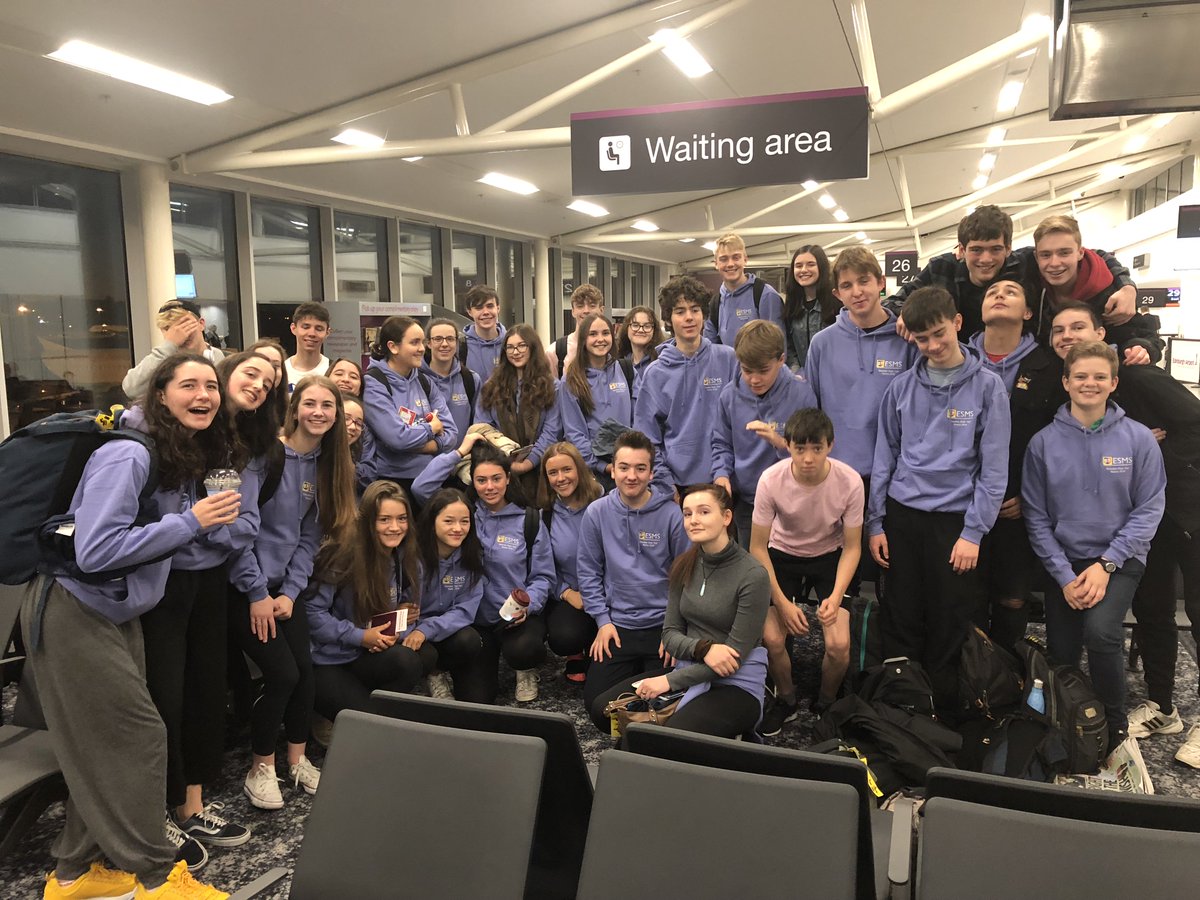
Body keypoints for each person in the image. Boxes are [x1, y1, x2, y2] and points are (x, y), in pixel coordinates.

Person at [25, 353, 238, 899]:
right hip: (76, 608)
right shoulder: (127, 454)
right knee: (139, 738)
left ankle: (76, 873)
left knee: (101, 746)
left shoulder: (172, 453)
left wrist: (192, 525)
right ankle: (154, 876)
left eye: (211, 385)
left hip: (115, 610)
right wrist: (189, 523)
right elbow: (95, 551)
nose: (205, 395)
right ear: (158, 396)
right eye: (188, 384)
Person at [1048, 305, 1200, 758]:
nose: (1068, 336)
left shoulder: (1138, 375)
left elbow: (1195, 421)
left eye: (1078, 327)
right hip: (1142, 522)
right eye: (1058, 330)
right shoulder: (1070, 398)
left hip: (1186, 507)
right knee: (1155, 611)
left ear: (1101, 334)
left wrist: (1156, 447)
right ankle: (1163, 706)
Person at [867, 286, 1010, 710]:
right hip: (903, 516)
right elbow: (884, 457)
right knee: (902, 611)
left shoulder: (989, 389)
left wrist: (974, 531)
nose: (932, 345)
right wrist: (876, 522)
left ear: (958, 324)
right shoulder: (900, 388)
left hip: (956, 522)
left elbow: (994, 469)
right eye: (922, 338)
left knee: (951, 618)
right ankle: (906, 703)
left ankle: (948, 710)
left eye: (939, 333)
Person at [1022, 340, 1166, 745]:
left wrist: (1106, 565)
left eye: (1100, 376)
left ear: (1114, 382)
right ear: (1066, 382)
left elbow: (1149, 510)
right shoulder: (1043, 443)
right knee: (1062, 653)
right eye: (1080, 376)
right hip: (1064, 562)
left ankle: (1115, 725)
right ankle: (1068, 721)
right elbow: (1035, 516)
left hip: (1120, 559)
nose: (1090, 383)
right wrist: (1065, 576)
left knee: (1102, 633)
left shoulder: (1138, 440)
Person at [231, 375, 357, 812]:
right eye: (311, 403)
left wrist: (290, 592)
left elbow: (309, 538)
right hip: (245, 588)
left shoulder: (328, 464)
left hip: (285, 589)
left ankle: (297, 760)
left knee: (305, 673)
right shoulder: (265, 458)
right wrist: (256, 593)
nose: (319, 412)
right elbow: (239, 533)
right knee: (282, 675)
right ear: (295, 407)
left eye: (329, 405)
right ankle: (260, 768)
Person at [805, 246, 918, 593]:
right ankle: (845, 642)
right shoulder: (821, 344)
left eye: (865, 281)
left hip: (895, 475)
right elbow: (812, 410)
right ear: (837, 293)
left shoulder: (907, 341)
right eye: (847, 285)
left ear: (881, 283)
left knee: (893, 569)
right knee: (843, 576)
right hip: (838, 475)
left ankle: (890, 643)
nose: (857, 292)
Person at [413, 438, 555, 704]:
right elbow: (421, 488)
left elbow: (543, 576)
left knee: (524, 650)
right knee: (478, 698)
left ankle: (524, 669)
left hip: (516, 618)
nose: (489, 487)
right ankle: (440, 671)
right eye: (481, 480)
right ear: (472, 482)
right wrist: (459, 451)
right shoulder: (464, 516)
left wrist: (528, 604)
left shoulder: (529, 520)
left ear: (508, 479)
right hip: (474, 619)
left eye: (496, 479)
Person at [752, 408, 863, 735]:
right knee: (772, 637)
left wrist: (835, 595)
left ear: (830, 445)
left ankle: (826, 703)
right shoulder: (771, 480)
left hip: (830, 554)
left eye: (817, 448)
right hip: (782, 553)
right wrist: (784, 605)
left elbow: (853, 546)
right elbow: (757, 547)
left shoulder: (850, 481)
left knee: (839, 645)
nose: (809, 457)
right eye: (800, 448)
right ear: (788, 446)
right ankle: (786, 699)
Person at [968, 278, 1063, 651]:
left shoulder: (1049, 368)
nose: (999, 295)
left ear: (1027, 313)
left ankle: (1008, 672)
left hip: (1018, 503)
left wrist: (1030, 494)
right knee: (969, 596)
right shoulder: (957, 359)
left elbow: (1059, 440)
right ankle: (973, 676)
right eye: (992, 293)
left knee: (1012, 597)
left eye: (1010, 291)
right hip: (965, 498)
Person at [632, 484, 771, 738]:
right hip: (689, 667)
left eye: (704, 512)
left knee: (669, 738)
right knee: (604, 709)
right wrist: (704, 649)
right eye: (687, 514)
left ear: (727, 517)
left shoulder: (754, 575)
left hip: (737, 682)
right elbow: (670, 635)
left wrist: (669, 682)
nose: (693, 520)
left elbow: (733, 660)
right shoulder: (683, 565)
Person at [886, 205, 1136, 340]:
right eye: (976, 250)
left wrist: (1127, 287)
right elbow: (894, 302)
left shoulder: (1025, 261)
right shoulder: (941, 268)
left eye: (995, 249)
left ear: (1008, 248)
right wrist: (904, 314)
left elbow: (1097, 255)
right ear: (961, 250)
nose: (986, 259)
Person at [577, 430, 688, 733]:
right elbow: (588, 571)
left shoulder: (671, 515)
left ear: (652, 473)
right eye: (624, 467)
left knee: (672, 706)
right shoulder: (597, 513)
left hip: (662, 628)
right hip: (618, 626)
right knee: (596, 706)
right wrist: (602, 621)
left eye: (640, 468)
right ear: (612, 469)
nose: (631, 476)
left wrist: (676, 630)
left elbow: (684, 578)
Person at [309, 482, 441, 717]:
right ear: (368, 521)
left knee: (420, 656)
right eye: (384, 520)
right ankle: (327, 710)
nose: (395, 527)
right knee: (366, 722)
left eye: (402, 519)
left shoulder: (402, 555)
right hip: (328, 659)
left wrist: (399, 613)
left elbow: (385, 607)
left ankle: (359, 703)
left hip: (363, 654)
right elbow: (312, 615)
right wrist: (360, 637)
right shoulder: (341, 556)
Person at [712, 320, 816, 547]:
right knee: (753, 572)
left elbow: (814, 452)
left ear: (781, 360)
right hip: (747, 503)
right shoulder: (729, 396)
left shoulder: (801, 395)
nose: (754, 379)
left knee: (787, 574)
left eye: (763, 371)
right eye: (747, 371)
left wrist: (780, 444)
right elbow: (721, 443)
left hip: (792, 502)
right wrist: (721, 473)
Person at [634, 275, 739, 494]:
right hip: (677, 486)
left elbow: (738, 420)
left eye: (695, 309)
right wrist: (665, 483)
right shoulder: (655, 373)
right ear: (669, 319)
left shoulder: (728, 359)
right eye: (680, 311)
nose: (689, 317)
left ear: (704, 314)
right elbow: (648, 438)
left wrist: (724, 471)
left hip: (724, 479)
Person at [1030, 215, 1161, 360]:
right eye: (1046, 255)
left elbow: (1141, 335)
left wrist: (1141, 349)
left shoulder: (1110, 295)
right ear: (1036, 257)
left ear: (1080, 253)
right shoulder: (1031, 284)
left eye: (1064, 253)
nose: (1054, 262)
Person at [363, 315, 457, 494]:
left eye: (422, 342)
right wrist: (432, 428)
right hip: (391, 483)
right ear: (393, 347)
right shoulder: (375, 383)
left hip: (430, 478)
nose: (422, 349)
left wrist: (427, 444)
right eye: (414, 342)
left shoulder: (424, 381)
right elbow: (397, 438)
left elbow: (452, 434)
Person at [536, 441, 604, 684]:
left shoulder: (604, 503)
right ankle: (577, 650)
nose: (561, 478)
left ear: (580, 470)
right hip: (572, 595)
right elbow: (543, 567)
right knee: (564, 637)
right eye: (553, 473)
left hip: (609, 592)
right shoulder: (545, 514)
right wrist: (565, 592)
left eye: (567, 469)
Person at [414, 488, 488, 700]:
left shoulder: (472, 555)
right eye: (448, 521)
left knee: (470, 641)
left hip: (444, 629)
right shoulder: (411, 556)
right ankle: (433, 673)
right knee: (424, 655)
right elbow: (402, 607)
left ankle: (444, 668)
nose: (458, 528)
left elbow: (466, 610)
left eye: (464, 521)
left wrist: (428, 629)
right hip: (413, 635)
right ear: (432, 521)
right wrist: (419, 631)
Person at [475, 323, 562, 501]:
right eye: (510, 347)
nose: (516, 352)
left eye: (522, 345)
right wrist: (504, 460)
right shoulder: (491, 387)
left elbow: (552, 431)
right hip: (500, 470)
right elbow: (483, 428)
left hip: (540, 471)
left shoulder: (553, 387)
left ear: (533, 348)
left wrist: (529, 462)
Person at [560, 313, 635, 488]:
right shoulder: (571, 380)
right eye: (593, 334)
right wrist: (604, 466)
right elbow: (574, 433)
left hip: (629, 465)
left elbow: (639, 417)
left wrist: (632, 459)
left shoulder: (626, 370)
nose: (600, 339)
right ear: (583, 339)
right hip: (596, 472)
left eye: (605, 333)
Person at [122, 299, 224, 402]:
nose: (182, 333)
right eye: (169, 328)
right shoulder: (162, 362)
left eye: (185, 325)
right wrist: (169, 345)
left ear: (201, 324)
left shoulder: (222, 359)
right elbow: (132, 389)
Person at [703, 232, 785, 346]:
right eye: (724, 259)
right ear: (716, 264)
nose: (730, 264)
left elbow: (779, 345)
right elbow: (709, 347)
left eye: (736, 257)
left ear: (745, 260)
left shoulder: (765, 295)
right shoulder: (715, 303)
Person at [422, 317, 480, 437]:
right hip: (426, 454)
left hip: (463, 454)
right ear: (428, 343)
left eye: (450, 339)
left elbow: (478, 423)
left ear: (457, 343)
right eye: (438, 339)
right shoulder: (416, 379)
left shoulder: (470, 379)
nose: (444, 344)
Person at [783, 245, 838, 370]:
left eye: (810, 264)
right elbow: (789, 345)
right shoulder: (792, 305)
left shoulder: (837, 302)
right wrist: (796, 372)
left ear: (822, 267)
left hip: (832, 376)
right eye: (798, 266)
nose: (803, 270)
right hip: (801, 379)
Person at [548, 283, 605, 377]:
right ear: (573, 311)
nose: (586, 310)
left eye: (592, 305)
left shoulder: (612, 349)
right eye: (580, 306)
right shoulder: (555, 352)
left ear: (602, 310)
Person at [615, 304, 667, 396]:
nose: (640, 330)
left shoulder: (662, 363)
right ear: (627, 328)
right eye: (635, 325)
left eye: (647, 326)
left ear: (654, 330)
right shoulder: (619, 364)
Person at [461, 284, 506, 381]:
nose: (485, 312)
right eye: (479, 308)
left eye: (490, 306)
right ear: (469, 312)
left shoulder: (510, 343)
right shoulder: (461, 347)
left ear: (498, 308)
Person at [284, 301, 331, 392]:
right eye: (306, 327)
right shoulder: (282, 371)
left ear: (327, 333)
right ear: (293, 328)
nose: (312, 334)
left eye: (319, 329)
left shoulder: (333, 370)